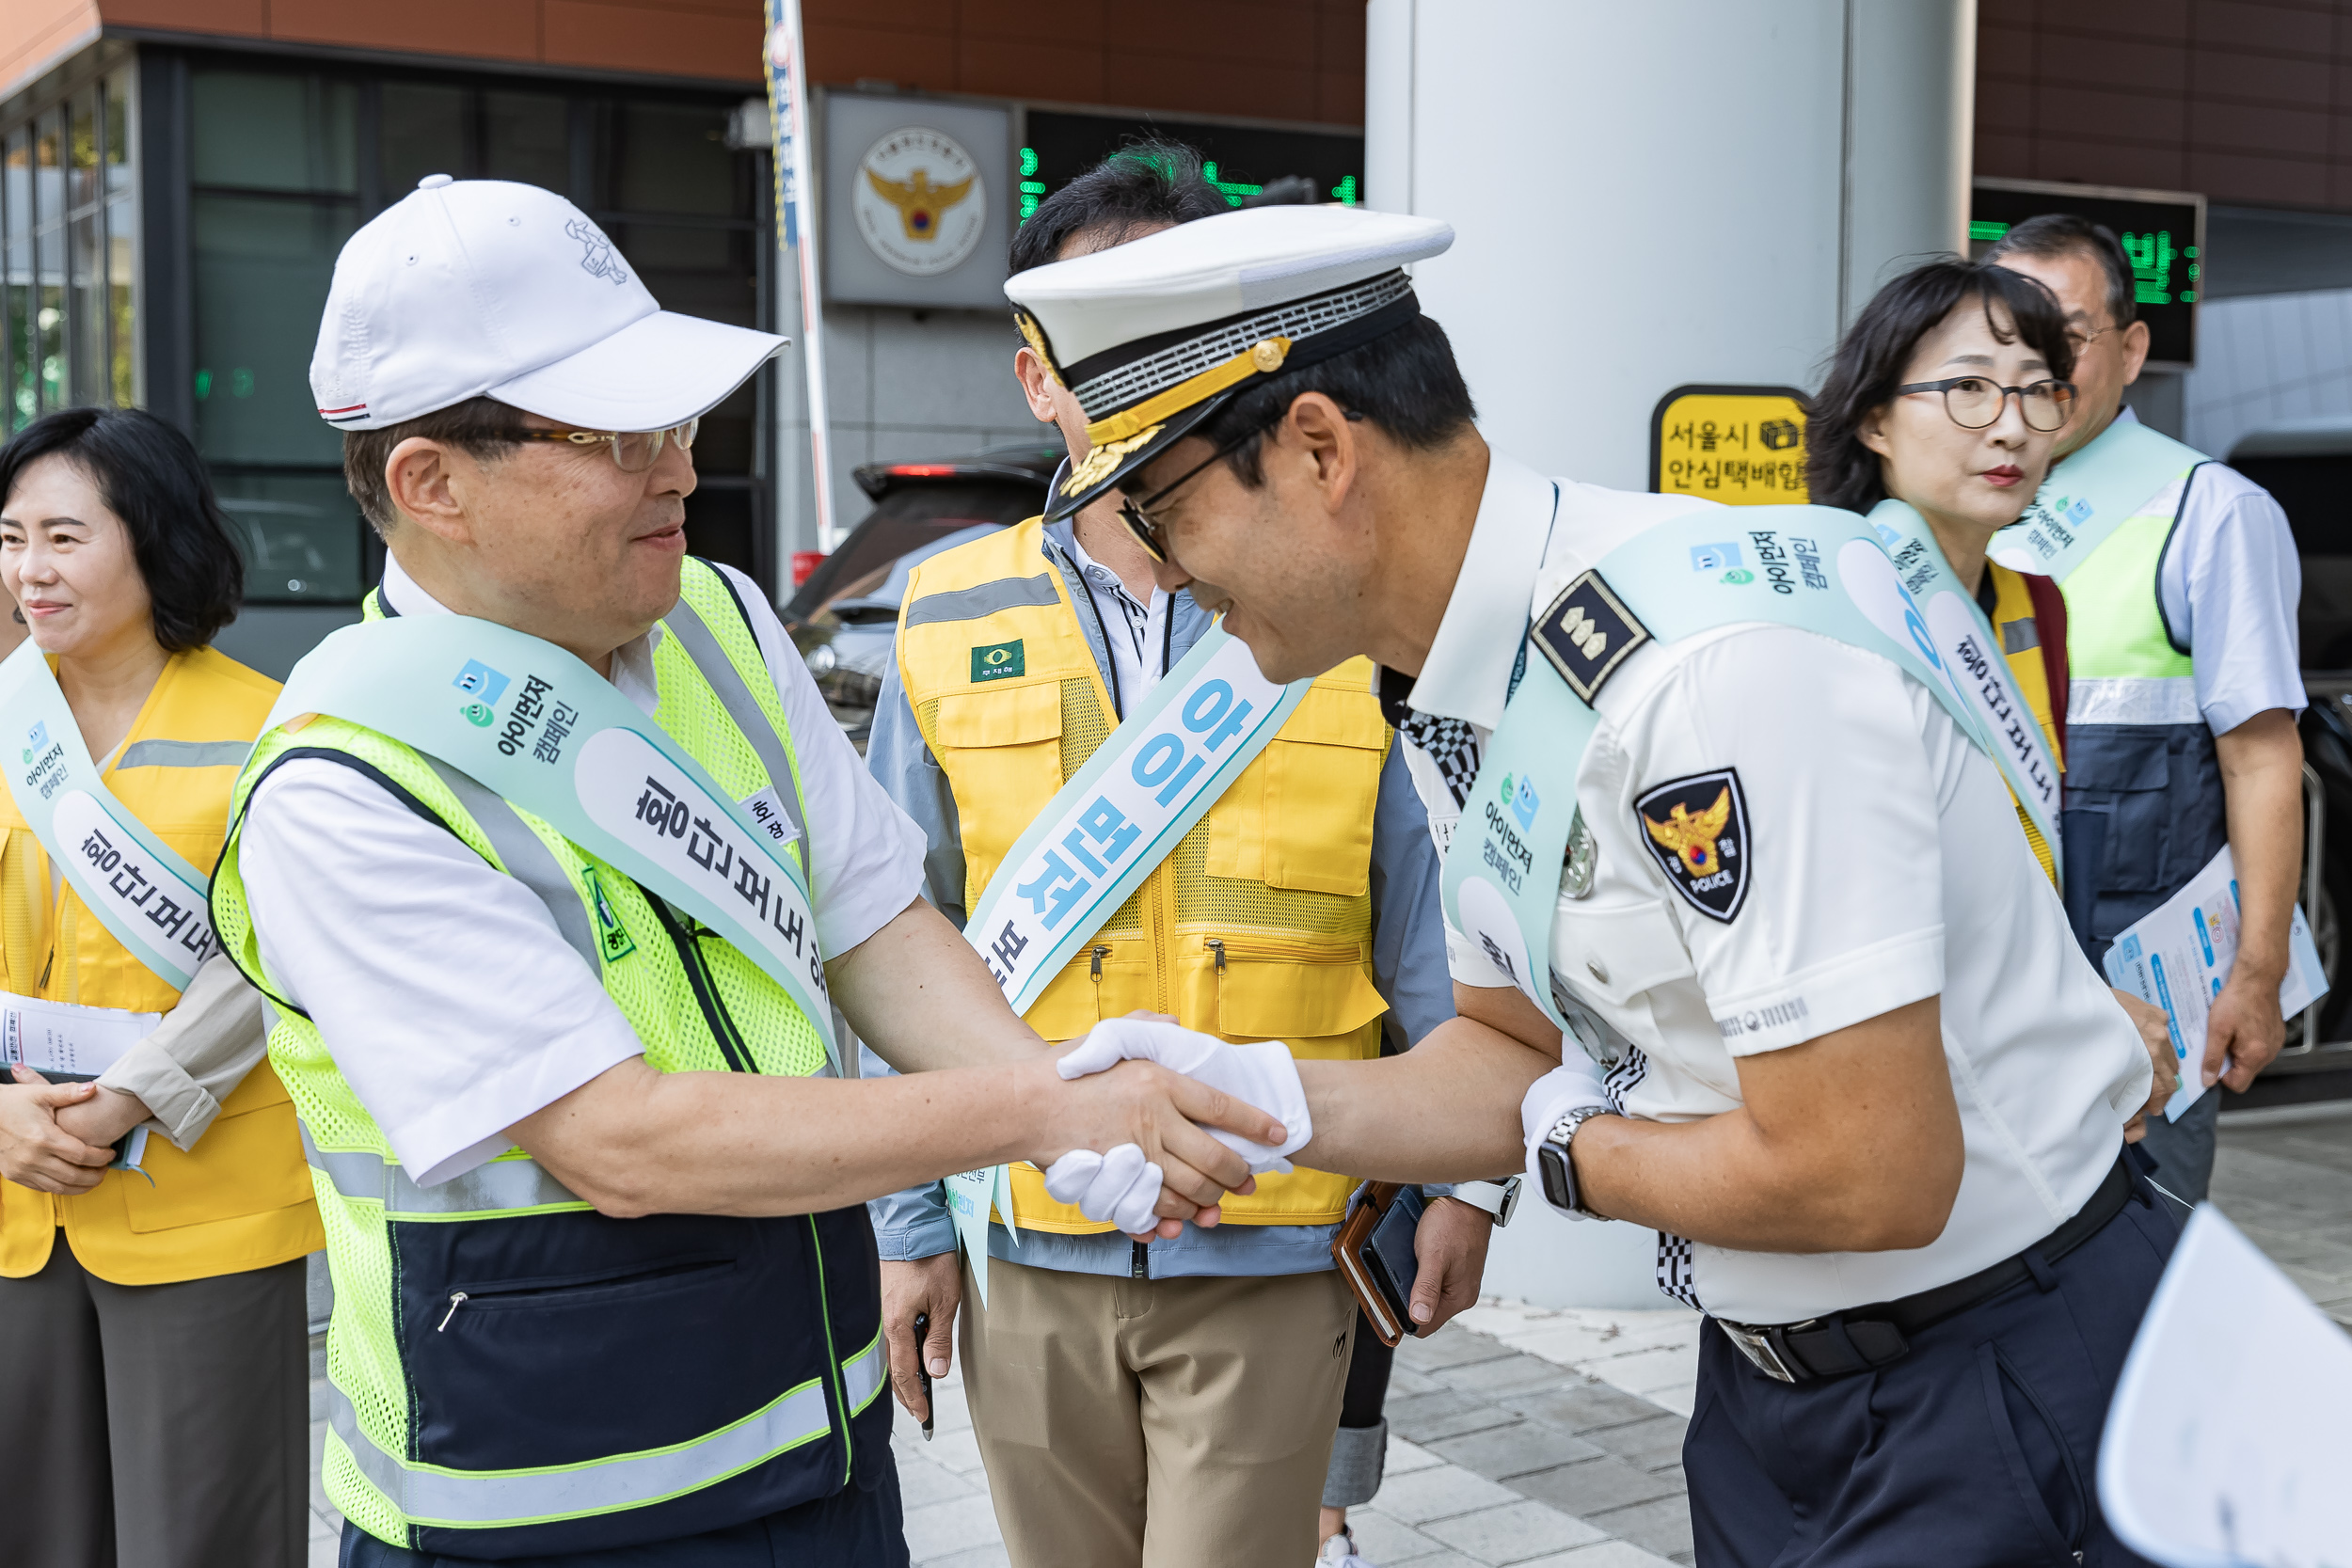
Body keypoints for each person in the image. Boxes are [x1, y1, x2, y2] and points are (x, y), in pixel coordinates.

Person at [1004, 202, 2179, 1566]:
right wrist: (1246, 1094)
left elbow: (1869, 1173)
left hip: (2000, 1375)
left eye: (1160, 504)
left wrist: (1574, 1151)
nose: (1154, 559)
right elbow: (1515, 1049)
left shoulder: (1704, 672)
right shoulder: (1466, 674)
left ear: (1320, 447)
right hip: (1776, 1387)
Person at [206, 175, 1285, 1568]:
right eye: (618, 436)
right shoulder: (342, 781)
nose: (678, 468)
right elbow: (622, 1137)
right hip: (544, 1502)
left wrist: (1070, 1103)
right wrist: (1032, 1108)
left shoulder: (709, 614)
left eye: (678, 420)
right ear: (429, 481)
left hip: (816, 1451)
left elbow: (875, 921)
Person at [863, 146, 1489, 1568]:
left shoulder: (1335, 603)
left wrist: (1465, 1178)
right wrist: (909, 1224)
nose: (1132, 374)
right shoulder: (945, 609)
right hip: (1027, 1221)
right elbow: (896, 926)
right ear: (1038, 372)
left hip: (1276, 1217)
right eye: (1099, 340)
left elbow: (1431, 916)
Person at [0, 407, 324, 1568]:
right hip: (11, 1201)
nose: (31, 569)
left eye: (64, 537)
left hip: (204, 1200)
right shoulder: (3, 718)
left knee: (203, 1534)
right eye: (11, 536)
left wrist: (136, 1090)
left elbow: (279, 948)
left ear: (154, 536)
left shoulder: (268, 725)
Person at [1987, 214, 2306, 1204]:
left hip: (2146, 983)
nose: (2034, 365)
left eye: (2067, 334)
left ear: (2129, 349)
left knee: (2136, 1254)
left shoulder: (2208, 511)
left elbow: (2260, 756)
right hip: (1986, 979)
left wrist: (2256, 971)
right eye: (2007, 334)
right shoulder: (1948, 504)